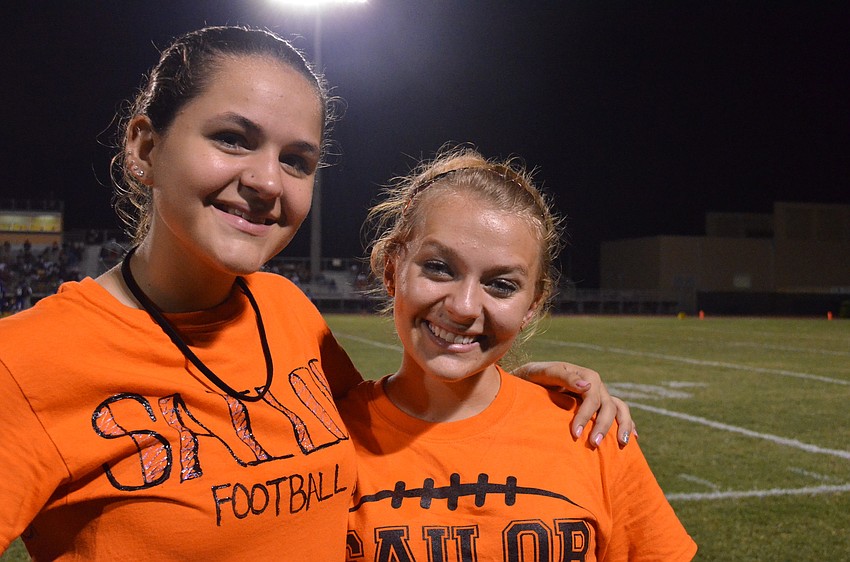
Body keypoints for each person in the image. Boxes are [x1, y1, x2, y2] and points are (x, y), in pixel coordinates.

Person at [0, 27, 633, 559]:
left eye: (297, 160)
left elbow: (391, 429)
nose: (266, 181)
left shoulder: (289, 313)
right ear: (144, 146)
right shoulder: (25, 364)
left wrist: (531, 392)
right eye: (232, 138)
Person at [339, 147, 697, 561]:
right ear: (391, 270)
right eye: (439, 267)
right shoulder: (324, 439)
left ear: (532, 306)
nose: (465, 306)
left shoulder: (589, 430)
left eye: (502, 285)